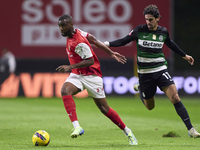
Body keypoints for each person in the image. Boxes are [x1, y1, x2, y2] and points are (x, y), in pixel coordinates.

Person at [104, 4, 200, 138]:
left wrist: (185, 55)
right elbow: (124, 40)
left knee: (175, 97)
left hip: (160, 69)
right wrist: (106, 44)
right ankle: (140, 87)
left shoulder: (163, 32)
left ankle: (191, 129)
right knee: (150, 107)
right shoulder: (139, 30)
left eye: (151, 20)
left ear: (158, 19)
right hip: (145, 73)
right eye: (146, 19)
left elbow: (170, 44)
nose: (148, 22)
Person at [56, 14, 138, 145]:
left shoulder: (78, 42)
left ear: (71, 25)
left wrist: (70, 66)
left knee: (104, 109)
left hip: (92, 76)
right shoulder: (77, 32)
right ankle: (77, 126)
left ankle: (127, 131)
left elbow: (90, 61)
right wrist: (110, 52)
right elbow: (93, 39)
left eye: (63, 26)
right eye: (59, 26)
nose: (61, 29)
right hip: (77, 74)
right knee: (65, 90)